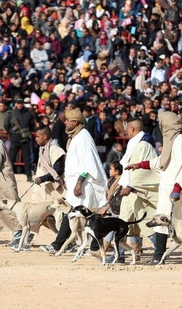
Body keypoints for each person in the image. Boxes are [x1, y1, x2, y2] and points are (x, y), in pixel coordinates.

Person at [125, 111, 182, 264]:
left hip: (175, 191)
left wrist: (176, 190)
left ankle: (158, 257)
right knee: (171, 224)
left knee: (163, 222)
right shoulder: (173, 140)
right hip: (168, 189)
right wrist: (139, 165)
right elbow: (161, 162)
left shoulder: (180, 141)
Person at [41, 108, 108, 254]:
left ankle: (59, 245)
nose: (65, 123)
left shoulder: (83, 138)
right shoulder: (76, 136)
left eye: (67, 120)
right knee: (83, 213)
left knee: (76, 213)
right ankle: (94, 246)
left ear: (75, 122)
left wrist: (79, 183)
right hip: (76, 182)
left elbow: (88, 164)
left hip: (84, 183)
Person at [117, 118, 159, 262]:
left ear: (132, 129)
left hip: (136, 190)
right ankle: (120, 254)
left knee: (145, 222)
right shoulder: (134, 143)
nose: (126, 131)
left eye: (127, 128)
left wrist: (131, 186)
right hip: (129, 189)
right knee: (122, 222)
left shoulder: (144, 145)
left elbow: (144, 170)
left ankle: (160, 252)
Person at [4, 98, 35, 182]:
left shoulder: (28, 114)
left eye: (21, 103)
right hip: (15, 138)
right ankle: (8, 176)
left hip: (25, 139)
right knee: (11, 158)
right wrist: (12, 132)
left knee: (27, 158)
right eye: (18, 103)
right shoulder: (11, 114)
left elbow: (32, 126)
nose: (20, 105)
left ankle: (29, 176)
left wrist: (27, 133)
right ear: (16, 104)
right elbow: (6, 125)